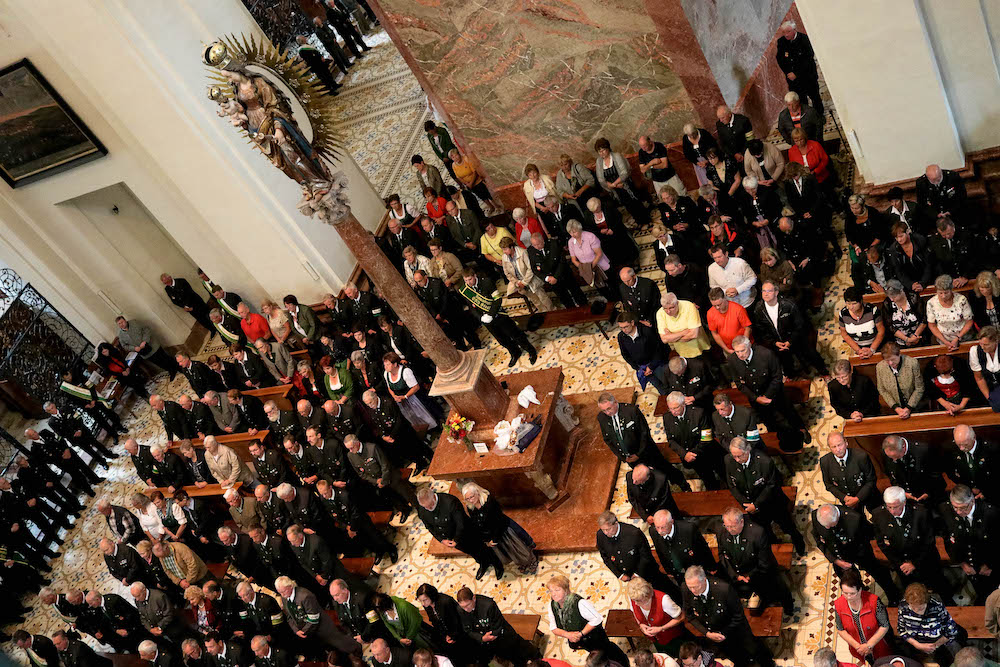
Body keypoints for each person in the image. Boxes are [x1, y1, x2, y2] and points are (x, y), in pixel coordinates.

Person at [724, 436, 806, 553]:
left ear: (747, 450)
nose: (736, 459)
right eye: (734, 456)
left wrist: (756, 504)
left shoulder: (764, 462)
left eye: (739, 456)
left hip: (772, 502)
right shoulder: (728, 460)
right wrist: (745, 503)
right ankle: (775, 545)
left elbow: (771, 486)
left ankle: (798, 540)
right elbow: (732, 485)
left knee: (787, 526)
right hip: (751, 506)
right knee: (765, 530)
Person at [728, 336, 810, 452]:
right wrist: (756, 398)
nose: (740, 355)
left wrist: (767, 396)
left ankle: (801, 432)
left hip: (776, 394)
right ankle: (783, 442)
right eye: (737, 352)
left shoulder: (766, 355)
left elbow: (777, 377)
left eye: (742, 351)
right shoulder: (732, 360)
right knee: (770, 422)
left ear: (749, 346)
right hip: (756, 400)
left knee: (789, 417)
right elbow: (739, 384)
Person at [682, 565, 773, 667]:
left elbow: (738, 616)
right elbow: (690, 615)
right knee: (736, 657)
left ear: (704, 580)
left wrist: (723, 633)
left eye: (696, 587)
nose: (693, 591)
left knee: (755, 650)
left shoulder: (724, 589)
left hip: (736, 630)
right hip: (715, 635)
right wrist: (707, 633)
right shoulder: (686, 589)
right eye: (690, 587)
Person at [872, 486, 952, 600]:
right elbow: (882, 543)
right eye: (889, 507)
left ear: (904, 502)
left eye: (896, 507)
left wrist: (914, 563)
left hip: (925, 560)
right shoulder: (878, 514)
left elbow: (928, 542)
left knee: (939, 584)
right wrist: (900, 563)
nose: (892, 511)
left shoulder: (921, 513)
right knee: (910, 590)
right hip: (902, 564)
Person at [812, 504, 900, 604]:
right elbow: (818, 541)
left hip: (860, 552)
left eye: (830, 525)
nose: (827, 528)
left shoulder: (855, 519)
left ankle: (894, 596)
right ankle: (860, 591)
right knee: (850, 583)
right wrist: (835, 560)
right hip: (838, 557)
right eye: (825, 526)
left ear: (837, 516)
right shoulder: (816, 516)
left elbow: (870, 534)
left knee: (880, 575)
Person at [715, 507, 794, 614]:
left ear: (741, 522)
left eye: (733, 526)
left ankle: (788, 608)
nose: (729, 530)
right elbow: (722, 555)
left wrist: (749, 576)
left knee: (779, 588)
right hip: (737, 571)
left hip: (759, 570)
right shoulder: (721, 530)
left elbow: (764, 562)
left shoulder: (757, 533)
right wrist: (735, 575)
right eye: (727, 526)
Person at [416, 485, 503, 580]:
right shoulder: (422, 509)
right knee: (472, 552)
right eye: (426, 507)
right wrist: (441, 540)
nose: (428, 509)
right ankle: (483, 563)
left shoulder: (450, 502)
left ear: (433, 497)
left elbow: (460, 523)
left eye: (430, 505)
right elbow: (429, 526)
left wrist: (456, 540)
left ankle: (497, 565)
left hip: (466, 533)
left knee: (482, 548)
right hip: (452, 539)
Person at [596, 392, 684, 482]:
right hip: (630, 459)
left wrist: (638, 454)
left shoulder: (631, 411)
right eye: (604, 410)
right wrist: (622, 457)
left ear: (615, 402)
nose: (607, 412)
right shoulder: (601, 418)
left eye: (609, 408)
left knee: (664, 468)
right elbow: (608, 440)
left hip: (646, 451)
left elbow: (644, 433)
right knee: (646, 477)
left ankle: (681, 483)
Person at [458, 268, 537, 366]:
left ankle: (531, 351)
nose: (468, 283)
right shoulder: (466, 290)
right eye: (466, 280)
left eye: (470, 279)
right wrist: (480, 317)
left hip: (498, 314)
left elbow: (497, 299)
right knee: (501, 339)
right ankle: (515, 352)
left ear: (475, 276)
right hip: (486, 319)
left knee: (515, 334)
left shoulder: (486, 282)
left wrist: (491, 314)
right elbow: (471, 306)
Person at [547, 574, 629, 666]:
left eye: (557, 590)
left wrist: (580, 634)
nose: (554, 594)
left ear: (566, 590)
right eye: (551, 591)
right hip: (583, 642)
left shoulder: (580, 603)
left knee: (608, 651)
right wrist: (568, 634)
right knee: (595, 655)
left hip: (595, 637)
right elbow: (553, 627)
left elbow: (597, 619)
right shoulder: (552, 606)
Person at [939, 484, 1000, 603]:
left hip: (989, 565)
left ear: (972, 501)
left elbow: (997, 545)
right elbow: (948, 539)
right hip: (968, 563)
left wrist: (991, 565)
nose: (958, 512)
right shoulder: (945, 510)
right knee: (980, 589)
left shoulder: (991, 513)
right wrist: (961, 563)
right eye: (955, 507)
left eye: (963, 508)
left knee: (993, 593)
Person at [462, 481, 537, 575]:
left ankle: (531, 561)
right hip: (490, 535)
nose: (471, 500)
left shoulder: (490, 502)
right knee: (510, 551)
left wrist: (495, 539)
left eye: (472, 497)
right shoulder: (470, 507)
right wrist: (486, 540)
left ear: (477, 492)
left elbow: (498, 521)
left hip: (503, 530)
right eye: (467, 499)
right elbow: (476, 524)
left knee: (518, 548)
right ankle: (522, 563)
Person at [456, 586, 539, 666]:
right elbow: (467, 629)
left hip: (503, 635)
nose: (466, 609)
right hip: (489, 641)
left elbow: (498, 624)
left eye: (468, 605)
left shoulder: (488, 605)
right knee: (508, 656)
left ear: (474, 598)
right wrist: (481, 638)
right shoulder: (460, 610)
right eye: (463, 607)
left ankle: (536, 656)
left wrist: (490, 636)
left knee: (520, 647)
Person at [647, 509, 715, 598]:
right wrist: (668, 570)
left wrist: (711, 567)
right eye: (657, 527)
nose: (659, 531)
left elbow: (703, 549)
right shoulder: (653, 531)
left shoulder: (688, 529)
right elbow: (661, 552)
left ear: (671, 522)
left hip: (693, 568)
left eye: (663, 527)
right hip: (677, 572)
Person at [662, 391, 724, 489]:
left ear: (683, 404)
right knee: (708, 479)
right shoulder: (667, 417)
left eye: (676, 408)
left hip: (707, 451)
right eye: (670, 408)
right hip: (691, 458)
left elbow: (706, 437)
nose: (673, 411)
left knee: (722, 472)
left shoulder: (698, 413)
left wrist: (692, 453)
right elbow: (671, 440)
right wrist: (684, 454)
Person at [834, 568, 894, 665]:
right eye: (845, 593)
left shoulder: (874, 601)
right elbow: (840, 629)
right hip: (859, 649)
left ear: (860, 590)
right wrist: (858, 647)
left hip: (879, 644)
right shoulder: (838, 605)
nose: (848, 597)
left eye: (852, 593)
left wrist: (868, 646)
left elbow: (884, 625)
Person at [897, 583, 965, 666]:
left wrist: (934, 646)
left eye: (921, 608)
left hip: (938, 643)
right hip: (915, 643)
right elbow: (901, 629)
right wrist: (917, 645)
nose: (917, 611)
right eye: (913, 607)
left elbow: (951, 631)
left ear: (927, 602)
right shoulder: (903, 606)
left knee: (952, 658)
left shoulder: (937, 607)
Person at [417, 583, 480, 666]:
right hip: (445, 633)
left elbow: (457, 620)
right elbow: (434, 621)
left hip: (458, 632)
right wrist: (444, 635)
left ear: (431, 596)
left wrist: (453, 636)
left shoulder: (446, 601)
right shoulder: (427, 605)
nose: (422, 603)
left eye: (424, 600)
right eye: (420, 600)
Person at [820, 431, 880, 512]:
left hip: (869, 495)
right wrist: (844, 498)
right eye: (833, 447)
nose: (838, 449)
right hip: (847, 501)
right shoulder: (824, 461)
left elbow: (871, 480)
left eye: (840, 445)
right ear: (829, 448)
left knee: (878, 513)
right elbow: (828, 485)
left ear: (846, 443)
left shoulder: (861, 456)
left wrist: (857, 498)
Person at [594, 137, 647, 227]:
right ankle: (639, 221)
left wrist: (615, 183)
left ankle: (645, 219)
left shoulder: (616, 156)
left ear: (608, 149)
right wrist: (612, 186)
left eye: (603, 150)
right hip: (615, 189)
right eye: (599, 151)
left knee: (635, 202)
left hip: (625, 185)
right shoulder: (599, 161)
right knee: (627, 205)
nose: (601, 153)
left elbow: (624, 172)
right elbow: (600, 178)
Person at [528, 232, 587, 309]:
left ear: (543, 240)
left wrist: (555, 277)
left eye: (538, 244)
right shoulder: (530, 250)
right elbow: (534, 268)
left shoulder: (554, 244)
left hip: (563, 273)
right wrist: (546, 278)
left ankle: (585, 307)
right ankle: (572, 310)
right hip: (550, 278)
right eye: (534, 245)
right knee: (563, 297)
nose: (537, 247)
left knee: (575, 291)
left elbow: (562, 261)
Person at [882, 435, 945, 506]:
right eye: (891, 458)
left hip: (929, 495)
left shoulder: (923, 450)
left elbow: (936, 475)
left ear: (903, 447)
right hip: (906, 498)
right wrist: (902, 492)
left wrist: (928, 493)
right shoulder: (887, 452)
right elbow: (891, 475)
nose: (894, 460)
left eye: (897, 457)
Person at [776, 21, 822, 114]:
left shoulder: (804, 39)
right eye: (784, 32)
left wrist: (796, 73)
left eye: (788, 31)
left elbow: (808, 60)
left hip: (808, 76)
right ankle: (807, 117)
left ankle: (819, 116)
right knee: (800, 99)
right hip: (793, 80)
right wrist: (788, 72)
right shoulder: (781, 42)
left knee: (815, 97)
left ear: (794, 30)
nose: (786, 35)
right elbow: (780, 59)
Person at [618, 312, 669, 394]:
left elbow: (658, 350)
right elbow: (625, 354)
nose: (624, 330)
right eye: (621, 328)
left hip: (656, 364)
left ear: (632, 322)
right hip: (643, 369)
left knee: (666, 382)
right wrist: (638, 368)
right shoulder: (621, 337)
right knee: (659, 388)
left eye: (626, 327)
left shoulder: (646, 332)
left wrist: (651, 366)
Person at [500, 236, 554, 311]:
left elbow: (530, 268)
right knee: (534, 300)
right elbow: (507, 273)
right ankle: (543, 313)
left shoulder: (522, 252)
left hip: (531, 279)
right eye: (502, 250)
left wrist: (525, 282)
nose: (504, 252)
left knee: (543, 297)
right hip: (519, 283)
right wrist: (517, 282)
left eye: (505, 249)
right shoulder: (504, 257)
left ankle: (552, 311)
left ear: (512, 247)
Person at [949, 424, 1000, 502]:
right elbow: (950, 471)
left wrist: (986, 492)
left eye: (965, 444)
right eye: (958, 444)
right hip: (967, 493)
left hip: (991, 492)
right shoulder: (951, 450)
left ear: (974, 438)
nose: (961, 448)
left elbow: (996, 476)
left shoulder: (990, 450)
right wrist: (968, 488)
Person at [585, 196, 639, 268]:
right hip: (605, 239)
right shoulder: (587, 215)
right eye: (593, 211)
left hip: (618, 233)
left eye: (597, 209)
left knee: (625, 249)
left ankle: (633, 263)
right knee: (614, 254)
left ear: (599, 204)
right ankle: (622, 266)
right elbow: (590, 228)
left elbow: (618, 218)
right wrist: (600, 231)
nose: (595, 211)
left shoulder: (608, 207)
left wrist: (612, 229)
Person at [875, 342, 925, 419]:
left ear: (899, 354)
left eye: (893, 359)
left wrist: (908, 408)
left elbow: (919, 388)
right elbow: (882, 389)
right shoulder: (880, 367)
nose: (891, 363)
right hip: (892, 409)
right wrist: (896, 408)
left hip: (915, 407)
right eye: (887, 360)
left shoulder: (912, 363)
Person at [656, 292, 711, 361]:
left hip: (700, 348)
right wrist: (683, 332)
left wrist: (672, 337)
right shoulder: (660, 313)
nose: (668, 311)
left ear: (677, 303)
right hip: (681, 352)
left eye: (671, 308)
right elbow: (664, 339)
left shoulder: (689, 306)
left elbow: (693, 334)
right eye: (665, 308)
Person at [927, 274, 975, 350]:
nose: (943, 296)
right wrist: (945, 342)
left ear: (951, 290)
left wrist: (957, 338)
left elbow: (969, 321)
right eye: (940, 293)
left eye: (946, 293)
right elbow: (932, 325)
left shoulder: (961, 300)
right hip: (943, 341)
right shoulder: (931, 303)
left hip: (964, 339)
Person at [840, 287, 886, 358]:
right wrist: (858, 350)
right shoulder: (843, 313)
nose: (851, 307)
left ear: (861, 301)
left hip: (877, 345)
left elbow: (881, 331)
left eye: (854, 303)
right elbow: (844, 334)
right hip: (858, 347)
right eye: (848, 304)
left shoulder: (873, 310)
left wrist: (872, 349)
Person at [846, 194, 891, 266]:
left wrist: (871, 247)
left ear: (862, 206)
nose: (854, 211)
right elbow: (849, 235)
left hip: (876, 243)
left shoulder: (873, 213)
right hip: (860, 246)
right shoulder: (849, 216)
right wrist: (856, 246)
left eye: (857, 208)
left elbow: (881, 233)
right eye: (852, 208)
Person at [450, 148, 498, 215]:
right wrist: (466, 183)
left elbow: (474, 171)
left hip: (476, 180)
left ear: (459, 154)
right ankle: (491, 206)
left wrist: (471, 183)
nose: (455, 158)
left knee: (487, 193)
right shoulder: (453, 165)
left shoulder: (466, 159)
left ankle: (496, 205)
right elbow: (458, 177)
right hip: (468, 184)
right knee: (480, 196)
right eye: (453, 157)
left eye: (456, 155)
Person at [707, 289, 752, 357]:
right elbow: (715, 334)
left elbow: (748, 328)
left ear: (725, 298)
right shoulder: (710, 313)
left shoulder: (738, 309)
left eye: (719, 304)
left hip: (744, 347)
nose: (717, 308)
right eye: (714, 305)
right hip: (728, 348)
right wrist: (726, 349)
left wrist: (743, 346)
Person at [884, 281, 927, 348]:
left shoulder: (914, 298)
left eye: (894, 296)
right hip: (899, 343)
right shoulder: (888, 303)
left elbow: (924, 320)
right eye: (890, 296)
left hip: (918, 338)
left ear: (901, 291)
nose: (892, 299)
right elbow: (890, 326)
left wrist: (914, 337)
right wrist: (907, 339)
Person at [970, 325, 1000, 406]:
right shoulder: (975, 351)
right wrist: (989, 398)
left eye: (986, 344)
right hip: (989, 387)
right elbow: (979, 378)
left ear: (996, 341)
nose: (982, 347)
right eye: (981, 344)